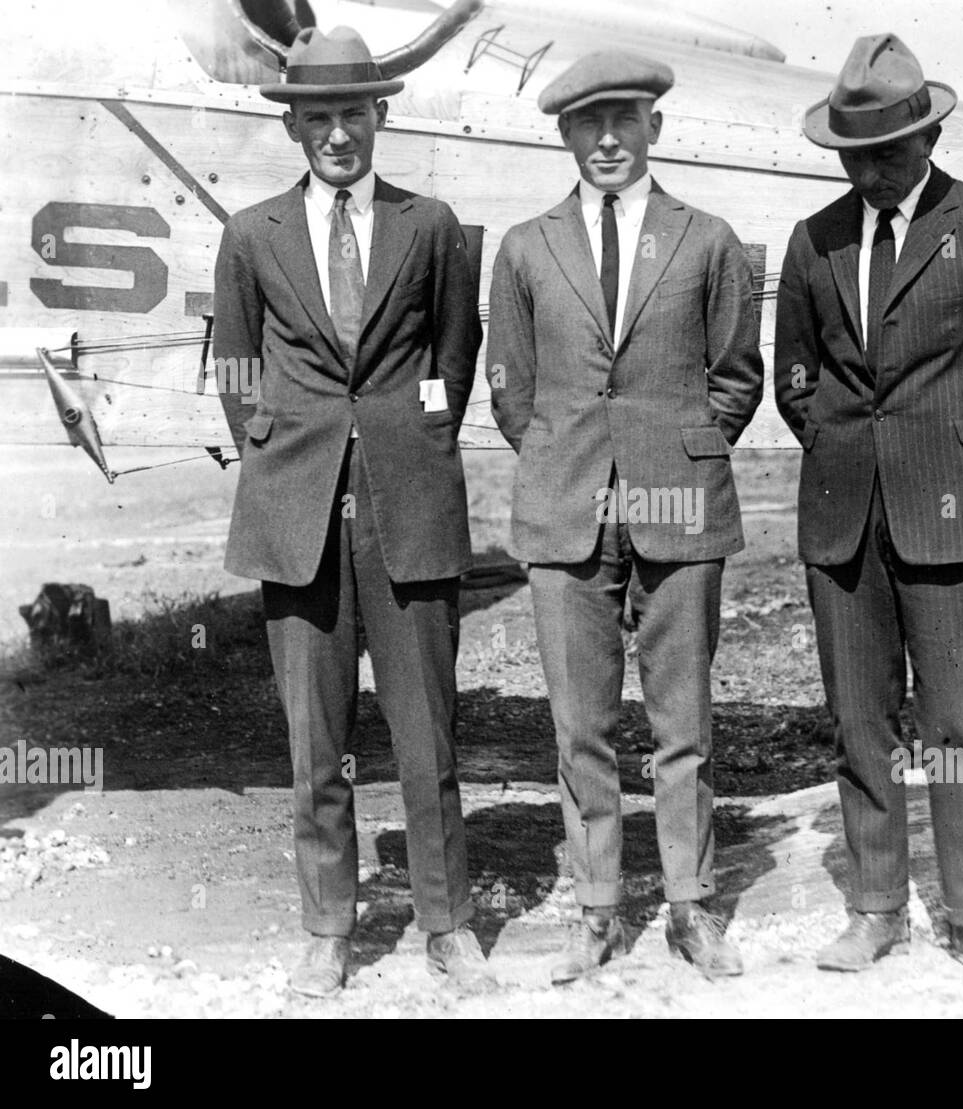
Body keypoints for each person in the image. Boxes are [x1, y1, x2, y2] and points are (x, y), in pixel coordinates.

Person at [775, 33, 963, 981]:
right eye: (855, 153)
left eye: (889, 151)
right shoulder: (815, 239)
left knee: (957, 729)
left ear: (926, 136)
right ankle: (873, 909)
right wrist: (840, 450)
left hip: (956, 523)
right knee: (860, 723)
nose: (872, 170)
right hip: (844, 526)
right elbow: (796, 377)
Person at [213, 26, 485, 997]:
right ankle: (329, 927)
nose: (337, 133)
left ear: (382, 116)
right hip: (296, 512)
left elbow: (454, 357)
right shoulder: (253, 234)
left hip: (406, 511)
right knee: (315, 739)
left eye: (353, 113)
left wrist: (404, 444)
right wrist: (285, 450)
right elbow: (237, 367)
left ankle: (447, 922)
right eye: (318, 116)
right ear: (294, 127)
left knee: (428, 735)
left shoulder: (433, 226)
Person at [487, 50, 764, 984]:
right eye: (585, 124)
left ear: (655, 127)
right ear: (564, 134)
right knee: (581, 727)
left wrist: (675, 449)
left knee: (683, 720)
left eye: (624, 120)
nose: (606, 139)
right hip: (566, 503)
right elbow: (512, 391)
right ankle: (597, 909)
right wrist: (568, 458)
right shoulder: (526, 247)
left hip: (677, 504)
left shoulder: (709, 238)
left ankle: (691, 907)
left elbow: (736, 376)